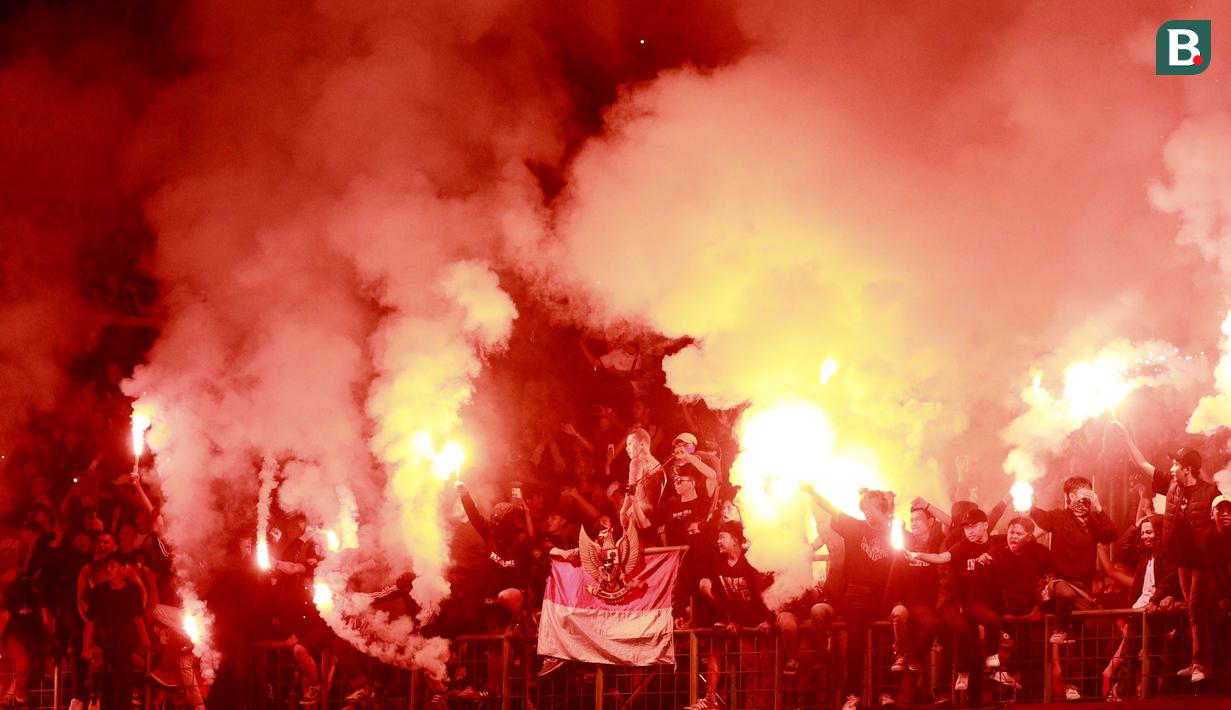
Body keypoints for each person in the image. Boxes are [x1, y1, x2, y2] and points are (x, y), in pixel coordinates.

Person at [1111, 425, 1216, 681]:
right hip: (1180, 561)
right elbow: (1141, 464)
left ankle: (1202, 663)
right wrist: (1126, 437)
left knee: (1196, 609)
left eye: (1176, 464)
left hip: (1202, 562)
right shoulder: (1171, 486)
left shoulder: (1210, 492)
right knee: (1193, 611)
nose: (1171, 468)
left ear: (1187, 468)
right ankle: (1196, 662)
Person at [803, 486, 894, 710]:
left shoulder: (891, 532)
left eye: (873, 507)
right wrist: (813, 493)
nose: (869, 512)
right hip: (857, 593)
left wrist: (873, 498)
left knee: (887, 639)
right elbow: (833, 509)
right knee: (856, 642)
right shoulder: (855, 527)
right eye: (866, 508)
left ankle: (886, 692)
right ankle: (852, 695)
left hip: (884, 593)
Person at [1028, 476, 1117, 701]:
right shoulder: (1059, 516)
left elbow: (1111, 534)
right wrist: (1027, 499)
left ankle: (1081, 688)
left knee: (1084, 636)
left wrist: (1098, 508)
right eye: (1078, 493)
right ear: (1069, 497)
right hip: (1060, 582)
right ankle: (1059, 630)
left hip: (1084, 589)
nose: (1083, 497)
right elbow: (1040, 518)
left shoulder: (1095, 521)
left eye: (1087, 492)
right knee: (1065, 602)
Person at [912, 508, 1004, 695]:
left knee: (991, 623)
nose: (969, 530)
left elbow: (1019, 540)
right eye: (966, 527)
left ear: (985, 525)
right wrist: (919, 555)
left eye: (973, 526)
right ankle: (960, 677)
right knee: (965, 632)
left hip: (983, 601)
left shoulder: (997, 543)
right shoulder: (961, 546)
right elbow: (942, 558)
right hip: (960, 601)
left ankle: (991, 658)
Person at [690, 522, 773, 710]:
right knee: (748, 664)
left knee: (762, 666)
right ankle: (745, 706)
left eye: (722, 537)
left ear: (735, 541)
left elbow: (764, 592)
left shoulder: (750, 561)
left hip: (759, 621)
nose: (718, 541)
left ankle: (762, 706)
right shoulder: (718, 563)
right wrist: (731, 619)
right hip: (740, 621)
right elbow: (723, 595)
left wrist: (769, 619)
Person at [1101, 515, 1178, 699]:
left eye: (1149, 532)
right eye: (1143, 533)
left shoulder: (1166, 554)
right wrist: (1136, 526)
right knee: (1129, 657)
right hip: (1138, 612)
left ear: (1158, 533)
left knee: (1155, 658)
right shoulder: (1143, 555)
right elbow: (1123, 551)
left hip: (1155, 612)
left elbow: (1169, 580)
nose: (1145, 536)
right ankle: (1126, 695)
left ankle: (1153, 697)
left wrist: (1155, 600)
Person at [884, 501, 945, 683]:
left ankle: (915, 658)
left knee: (933, 624)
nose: (914, 522)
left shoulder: (937, 542)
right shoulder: (905, 543)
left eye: (919, 519)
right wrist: (894, 602)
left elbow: (951, 523)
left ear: (931, 521)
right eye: (912, 519)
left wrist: (928, 505)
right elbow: (893, 577)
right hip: (904, 602)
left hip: (925, 605)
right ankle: (900, 655)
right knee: (900, 614)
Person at [83, 554, 150, 710]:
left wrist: (145, 640)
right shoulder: (98, 592)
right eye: (106, 566)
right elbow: (90, 621)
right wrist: (86, 646)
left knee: (124, 679)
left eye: (113, 566)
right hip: (106, 641)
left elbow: (138, 617)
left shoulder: (132, 590)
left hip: (126, 642)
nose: (108, 569)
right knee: (109, 681)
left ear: (122, 568)